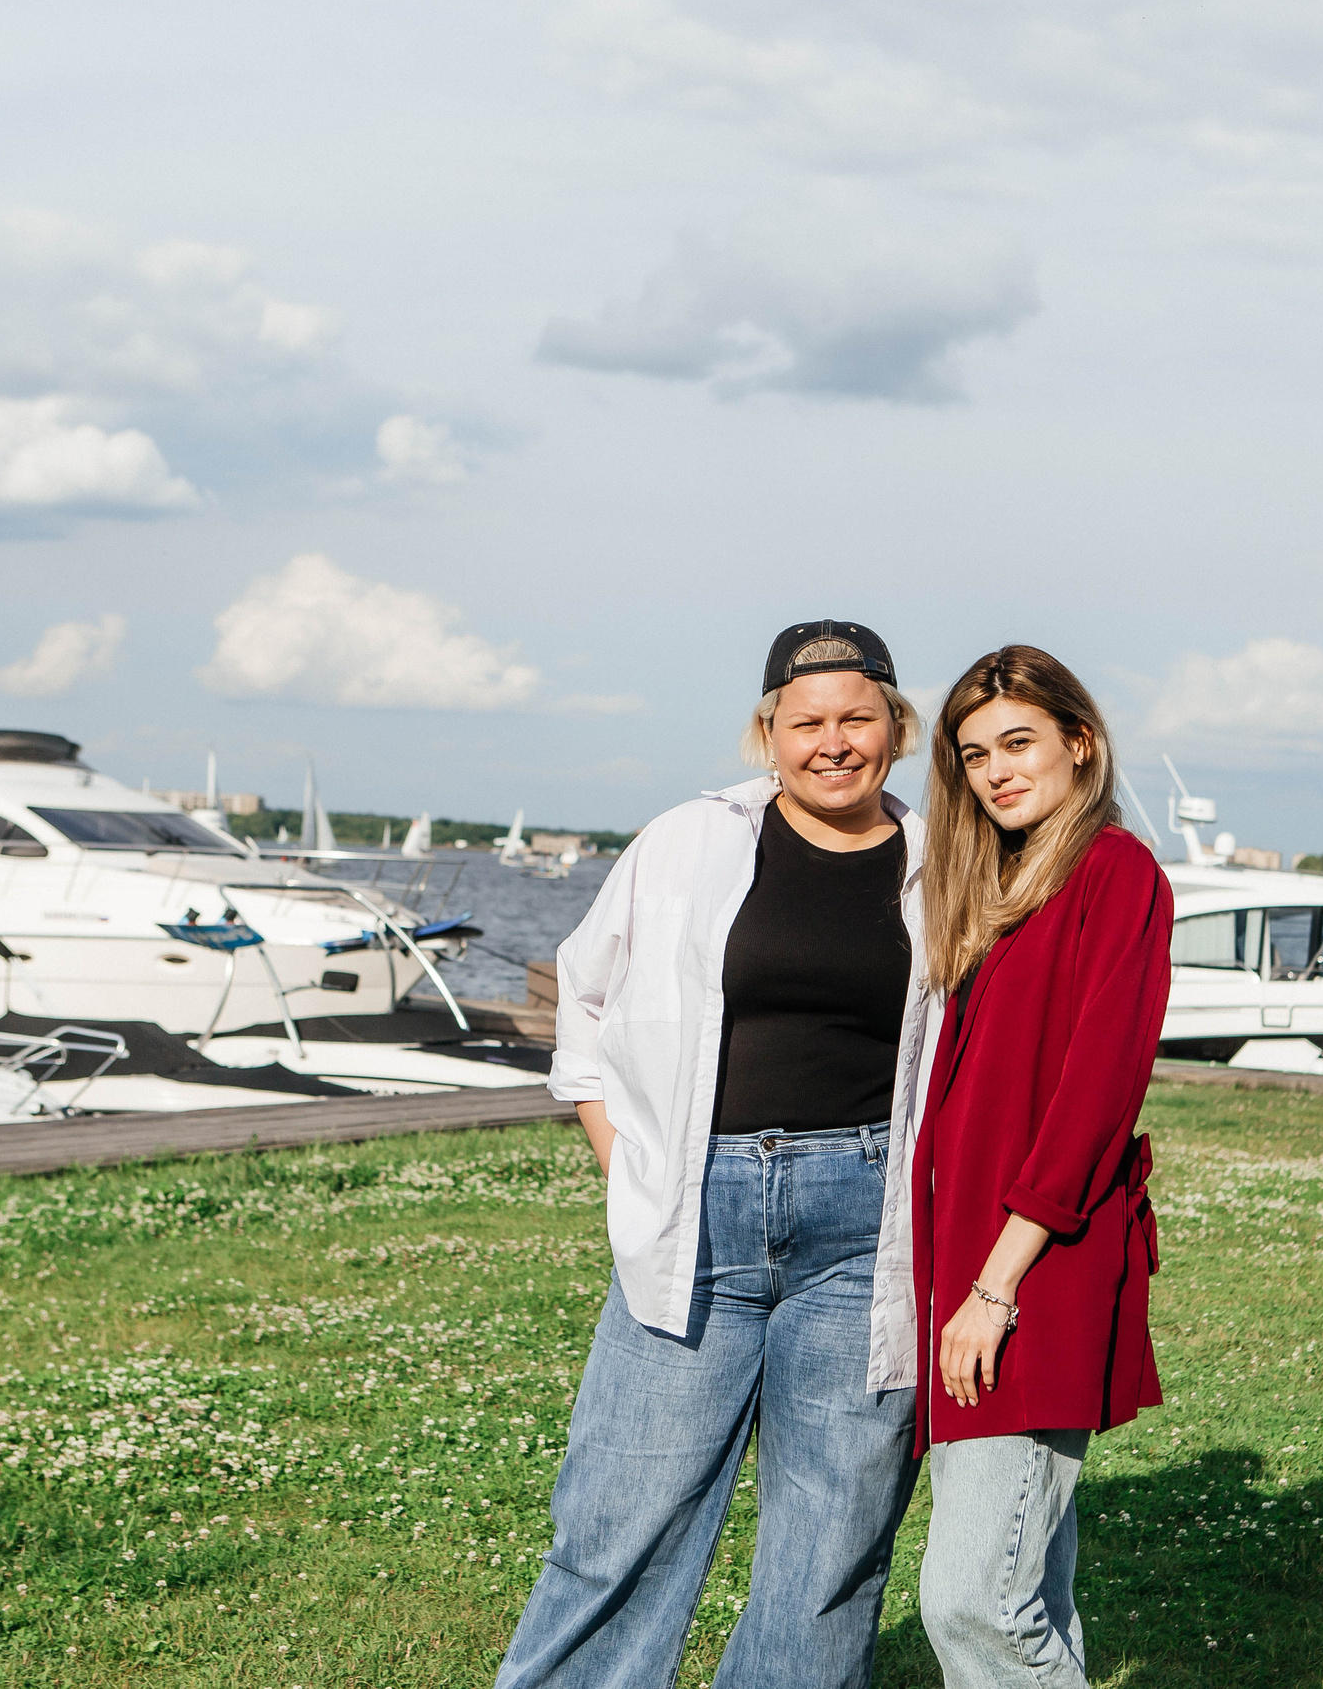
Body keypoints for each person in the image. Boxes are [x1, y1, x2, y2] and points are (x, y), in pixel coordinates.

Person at [497, 620, 937, 1689]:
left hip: (864, 1223)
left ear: (897, 727)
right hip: (696, 1214)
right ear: (768, 733)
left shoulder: (943, 861)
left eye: (856, 719)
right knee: (619, 1520)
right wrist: (625, 1160)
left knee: (830, 1545)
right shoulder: (688, 841)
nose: (832, 743)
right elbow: (581, 1001)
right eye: (807, 722)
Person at [910, 644, 1172, 1689]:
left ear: (1081, 742)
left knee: (974, 1598)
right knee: (1031, 1586)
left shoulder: (1115, 873)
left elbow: (1093, 1098)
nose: (995, 772)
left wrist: (992, 1287)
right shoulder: (1006, 886)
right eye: (974, 756)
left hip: (1029, 1273)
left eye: (1018, 743)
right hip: (974, 1267)